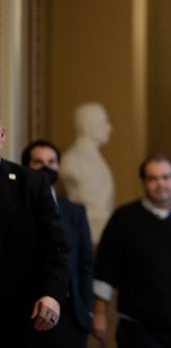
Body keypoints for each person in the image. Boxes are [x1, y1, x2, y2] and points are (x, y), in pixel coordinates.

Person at [92, 153, 171, 348]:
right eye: (153, 178)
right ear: (143, 182)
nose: (160, 184)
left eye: (166, 177)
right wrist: (99, 315)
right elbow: (104, 272)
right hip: (139, 331)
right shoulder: (123, 219)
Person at [0, 125, 70, 347]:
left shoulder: (31, 182)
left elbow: (57, 247)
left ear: (2, 135)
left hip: (21, 315)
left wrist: (53, 295)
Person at [21, 139, 94, 348]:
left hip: (72, 316)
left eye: (51, 162)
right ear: (26, 166)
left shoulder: (75, 211)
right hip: (32, 313)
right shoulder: (18, 204)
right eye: (38, 162)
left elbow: (86, 263)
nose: (46, 167)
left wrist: (87, 310)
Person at [59, 102, 114, 242]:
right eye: (103, 123)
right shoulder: (72, 160)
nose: (109, 128)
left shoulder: (95, 158)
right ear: (87, 126)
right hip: (88, 228)